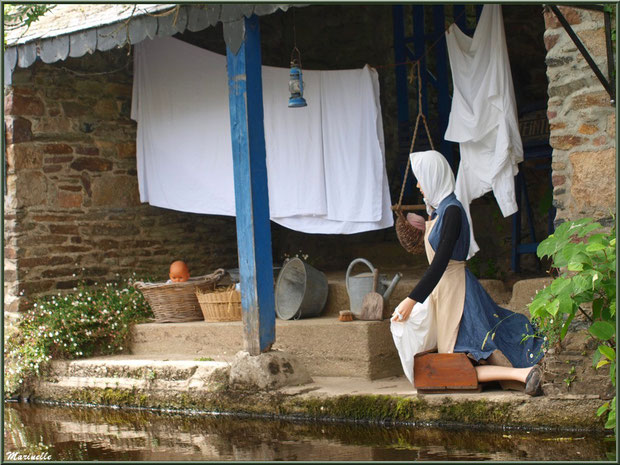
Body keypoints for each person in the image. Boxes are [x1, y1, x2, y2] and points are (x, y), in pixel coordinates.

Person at [392, 150, 544, 396]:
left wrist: (411, 300)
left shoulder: (452, 210)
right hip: (445, 291)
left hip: (456, 290)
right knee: (454, 359)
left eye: (421, 178)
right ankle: (524, 374)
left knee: (456, 359)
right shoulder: (439, 211)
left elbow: (440, 264)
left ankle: (523, 373)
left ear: (433, 176)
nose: (419, 185)